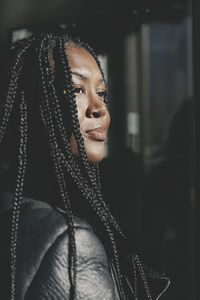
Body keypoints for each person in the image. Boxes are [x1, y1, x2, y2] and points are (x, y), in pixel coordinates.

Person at [0, 32, 169, 300]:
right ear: (31, 104)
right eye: (77, 89)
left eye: (102, 93)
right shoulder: (70, 242)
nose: (99, 107)